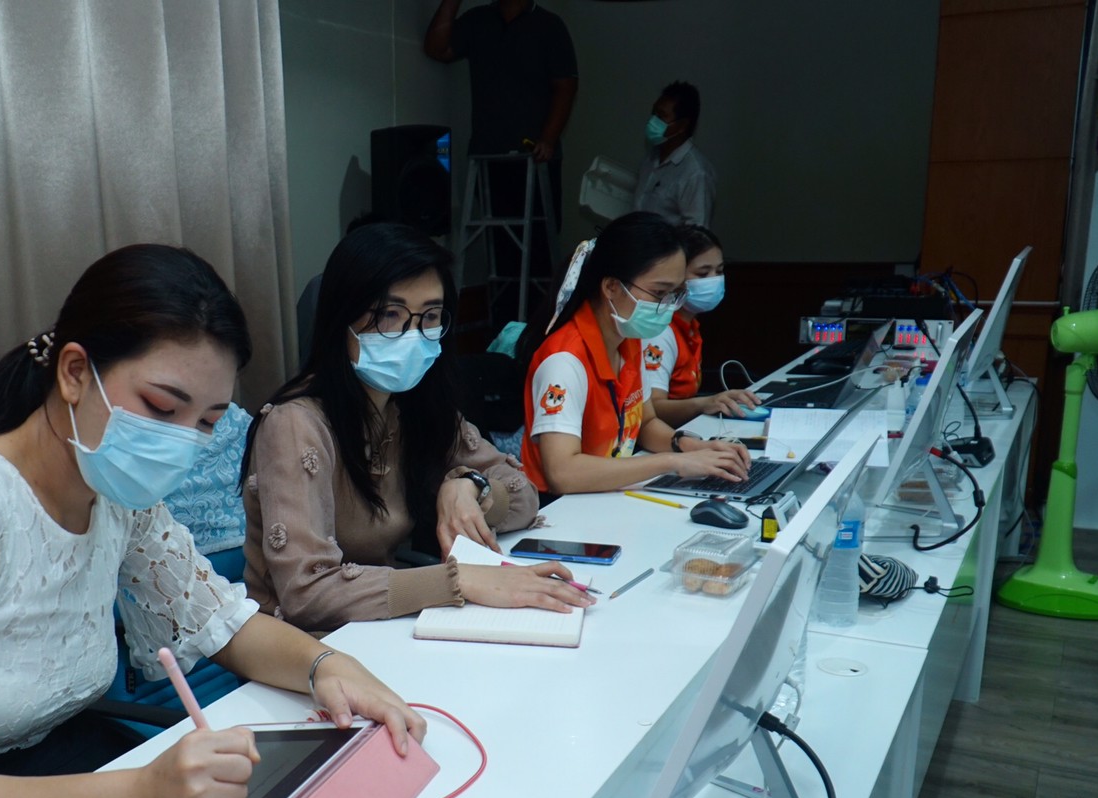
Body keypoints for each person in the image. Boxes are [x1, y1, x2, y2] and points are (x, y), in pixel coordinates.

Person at [0, 244, 424, 798]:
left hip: (62, 787)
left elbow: (219, 621)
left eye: (207, 422)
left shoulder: (113, 492)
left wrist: (327, 668)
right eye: (163, 409)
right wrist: (142, 796)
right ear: (74, 373)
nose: (182, 442)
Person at [242, 223, 592, 634]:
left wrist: (469, 487)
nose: (412, 334)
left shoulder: (413, 404)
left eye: (429, 316)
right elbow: (307, 594)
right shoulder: (296, 424)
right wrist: (458, 582)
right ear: (342, 318)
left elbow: (523, 495)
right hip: (303, 647)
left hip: (383, 628)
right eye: (389, 315)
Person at [520, 212, 750, 495]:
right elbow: (563, 474)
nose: (669, 305)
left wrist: (692, 446)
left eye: (676, 293)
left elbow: (646, 422)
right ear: (611, 287)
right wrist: (674, 462)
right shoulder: (564, 361)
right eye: (659, 292)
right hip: (559, 506)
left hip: (604, 496)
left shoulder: (628, 340)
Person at [425, 0, 578, 321]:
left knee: (538, 251)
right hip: (489, 154)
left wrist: (548, 139)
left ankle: (540, 331)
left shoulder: (549, 25)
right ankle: (504, 331)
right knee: (502, 250)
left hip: (535, 158)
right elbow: (438, 49)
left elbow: (565, 86)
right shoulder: (479, 19)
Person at [642, 224, 760, 427]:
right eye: (703, 274)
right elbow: (653, 410)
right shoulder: (660, 332)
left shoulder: (690, 325)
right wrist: (705, 403)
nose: (714, 280)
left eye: (719, 271)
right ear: (675, 276)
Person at [633, 81, 716, 228]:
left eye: (661, 116)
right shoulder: (652, 156)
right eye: (653, 113)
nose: (653, 120)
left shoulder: (696, 173)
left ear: (682, 125)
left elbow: (697, 233)